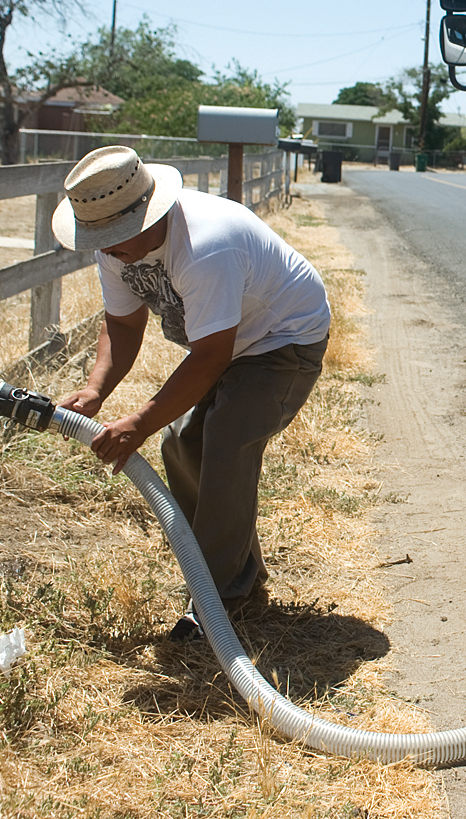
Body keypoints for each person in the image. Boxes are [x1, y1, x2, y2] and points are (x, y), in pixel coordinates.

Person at [51, 145, 330, 634]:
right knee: (180, 443)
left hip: (285, 336)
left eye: (114, 238)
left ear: (144, 217)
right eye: (99, 238)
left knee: (225, 439)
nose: (107, 249)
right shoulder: (114, 247)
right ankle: (234, 574)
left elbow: (210, 358)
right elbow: (122, 325)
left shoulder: (206, 245)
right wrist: (96, 389)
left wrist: (136, 422)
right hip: (231, 340)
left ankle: (219, 602)